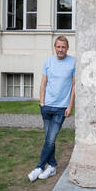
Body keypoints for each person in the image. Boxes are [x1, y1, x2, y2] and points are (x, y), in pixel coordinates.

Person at [28, 35, 75, 182]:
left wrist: (70, 105)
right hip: (47, 106)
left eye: (63, 47)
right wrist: (42, 102)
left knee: (50, 140)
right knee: (49, 139)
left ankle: (39, 167)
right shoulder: (48, 61)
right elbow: (43, 83)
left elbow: (74, 86)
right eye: (58, 46)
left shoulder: (73, 62)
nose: (60, 49)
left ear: (67, 48)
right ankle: (53, 166)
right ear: (55, 47)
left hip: (61, 108)